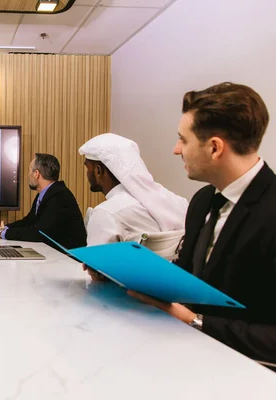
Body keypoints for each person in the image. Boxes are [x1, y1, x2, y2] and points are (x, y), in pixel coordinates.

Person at [129, 82, 276, 363]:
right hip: (187, 357)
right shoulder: (201, 201)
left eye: (183, 140)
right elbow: (184, 279)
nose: (176, 149)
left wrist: (196, 322)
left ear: (214, 148)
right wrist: (118, 275)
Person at [79, 133, 188, 280]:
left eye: (88, 168)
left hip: (121, 299)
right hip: (171, 295)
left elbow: (97, 275)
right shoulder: (177, 202)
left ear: (98, 170)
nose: (87, 174)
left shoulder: (107, 213)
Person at [0, 153, 87, 251]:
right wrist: (4, 227)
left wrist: (0, 232)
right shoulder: (46, 194)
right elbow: (29, 221)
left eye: (30, 170)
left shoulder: (59, 196)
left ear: (36, 174)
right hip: (53, 255)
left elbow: (39, 233)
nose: (28, 174)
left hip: (68, 260)